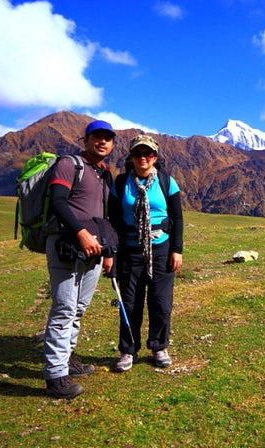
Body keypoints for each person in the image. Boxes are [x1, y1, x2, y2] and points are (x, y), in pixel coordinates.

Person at [43, 119, 116, 399]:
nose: (102, 142)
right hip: (66, 245)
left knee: (79, 307)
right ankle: (55, 376)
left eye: (107, 138)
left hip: (95, 249)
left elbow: (105, 216)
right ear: (85, 140)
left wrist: (108, 252)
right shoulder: (69, 165)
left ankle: (67, 359)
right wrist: (81, 233)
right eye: (97, 137)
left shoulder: (103, 172)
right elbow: (59, 201)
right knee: (64, 308)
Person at [108, 134, 183, 373]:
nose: (143, 157)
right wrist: (111, 252)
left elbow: (177, 218)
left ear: (155, 157)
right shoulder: (120, 184)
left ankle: (159, 346)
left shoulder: (167, 182)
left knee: (161, 302)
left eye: (148, 153)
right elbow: (112, 220)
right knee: (129, 303)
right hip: (129, 251)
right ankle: (127, 350)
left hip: (161, 249)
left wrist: (177, 249)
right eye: (138, 153)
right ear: (131, 157)